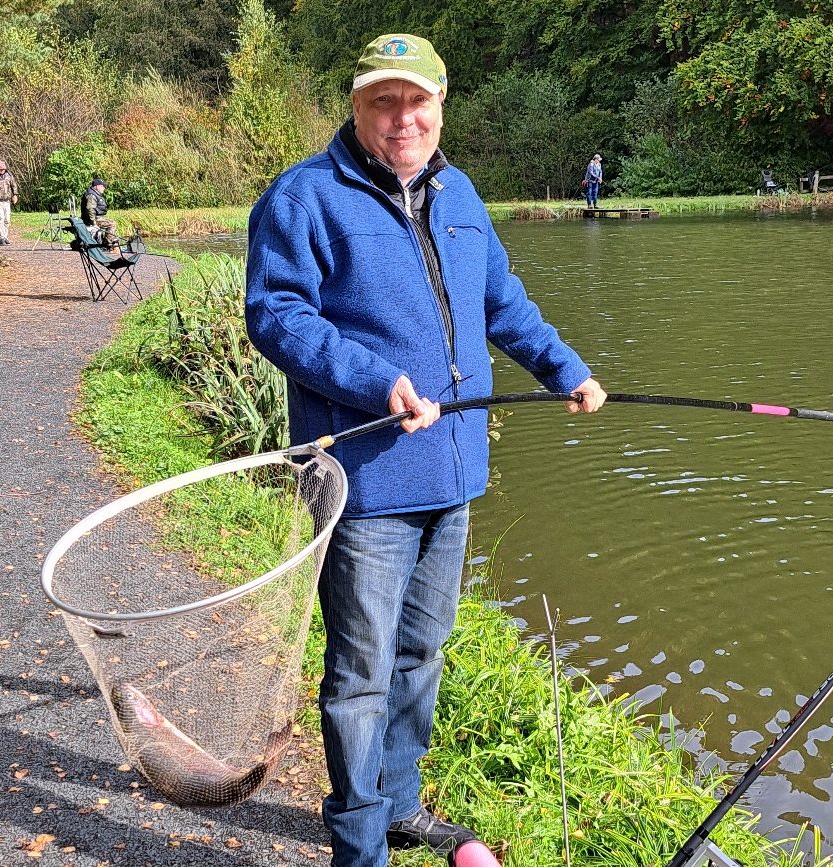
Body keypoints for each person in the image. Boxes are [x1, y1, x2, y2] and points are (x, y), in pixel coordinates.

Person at [245, 32, 606, 867]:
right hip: (364, 480)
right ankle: (359, 844)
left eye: (417, 101)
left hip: (452, 471)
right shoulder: (303, 197)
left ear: (440, 106)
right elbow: (278, 317)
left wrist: (564, 368)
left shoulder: (459, 193)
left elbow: (501, 302)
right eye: (383, 101)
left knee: (422, 653)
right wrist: (377, 381)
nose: (402, 118)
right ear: (356, 107)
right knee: (361, 672)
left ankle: (400, 804)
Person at [81, 177, 119, 248]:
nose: (104, 188)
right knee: (112, 224)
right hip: (92, 219)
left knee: (111, 221)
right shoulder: (91, 195)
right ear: (96, 186)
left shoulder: (95, 194)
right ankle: (108, 244)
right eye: (102, 186)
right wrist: (93, 222)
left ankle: (108, 241)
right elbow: (90, 209)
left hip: (97, 217)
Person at [0, 160, 18, 246]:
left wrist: (15, 195)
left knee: (7, 219)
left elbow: (14, 186)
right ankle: (2, 237)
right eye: (0, 169)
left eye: (3, 169)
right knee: (1, 218)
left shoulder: (9, 176)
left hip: (7, 201)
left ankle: (5, 237)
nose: (1, 170)